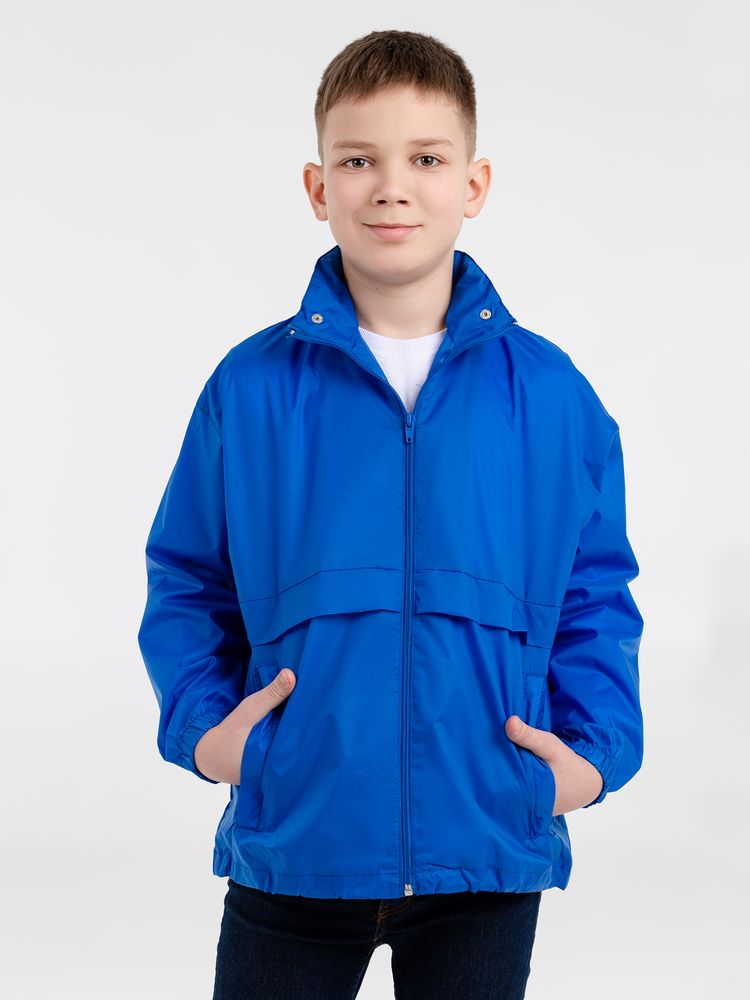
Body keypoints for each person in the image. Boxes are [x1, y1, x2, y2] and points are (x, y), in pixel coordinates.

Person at [137, 29, 644, 1000]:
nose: (392, 188)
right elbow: (188, 578)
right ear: (318, 187)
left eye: (427, 159)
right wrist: (211, 735)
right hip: (297, 845)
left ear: (475, 184)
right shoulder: (251, 389)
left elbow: (595, 594)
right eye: (359, 160)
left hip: (486, 851)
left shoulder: (550, 397)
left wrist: (588, 759)